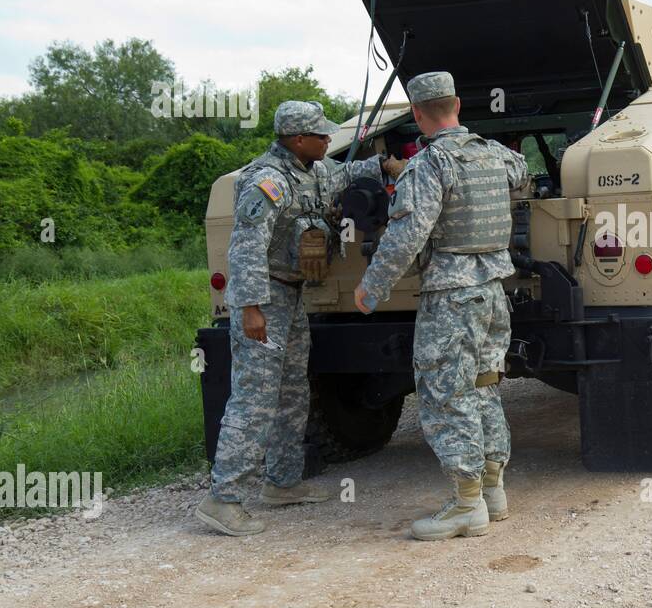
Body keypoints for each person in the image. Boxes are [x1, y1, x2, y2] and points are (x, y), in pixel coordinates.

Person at [196, 101, 407, 536]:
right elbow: (245, 248)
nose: (329, 141)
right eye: (321, 136)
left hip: (292, 297)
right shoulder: (267, 181)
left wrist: (386, 164)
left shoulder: (312, 170)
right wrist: (250, 307)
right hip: (265, 298)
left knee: (292, 390)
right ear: (296, 139)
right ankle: (224, 497)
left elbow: (348, 173)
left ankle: (282, 482)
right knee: (254, 399)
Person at [354, 72, 530, 541]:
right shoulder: (493, 155)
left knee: (446, 394)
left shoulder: (430, 165)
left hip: (451, 298)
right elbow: (522, 173)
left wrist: (371, 289)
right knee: (485, 386)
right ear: (457, 103)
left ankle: (465, 506)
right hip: (494, 291)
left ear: (416, 114)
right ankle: (492, 492)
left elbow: (407, 235)